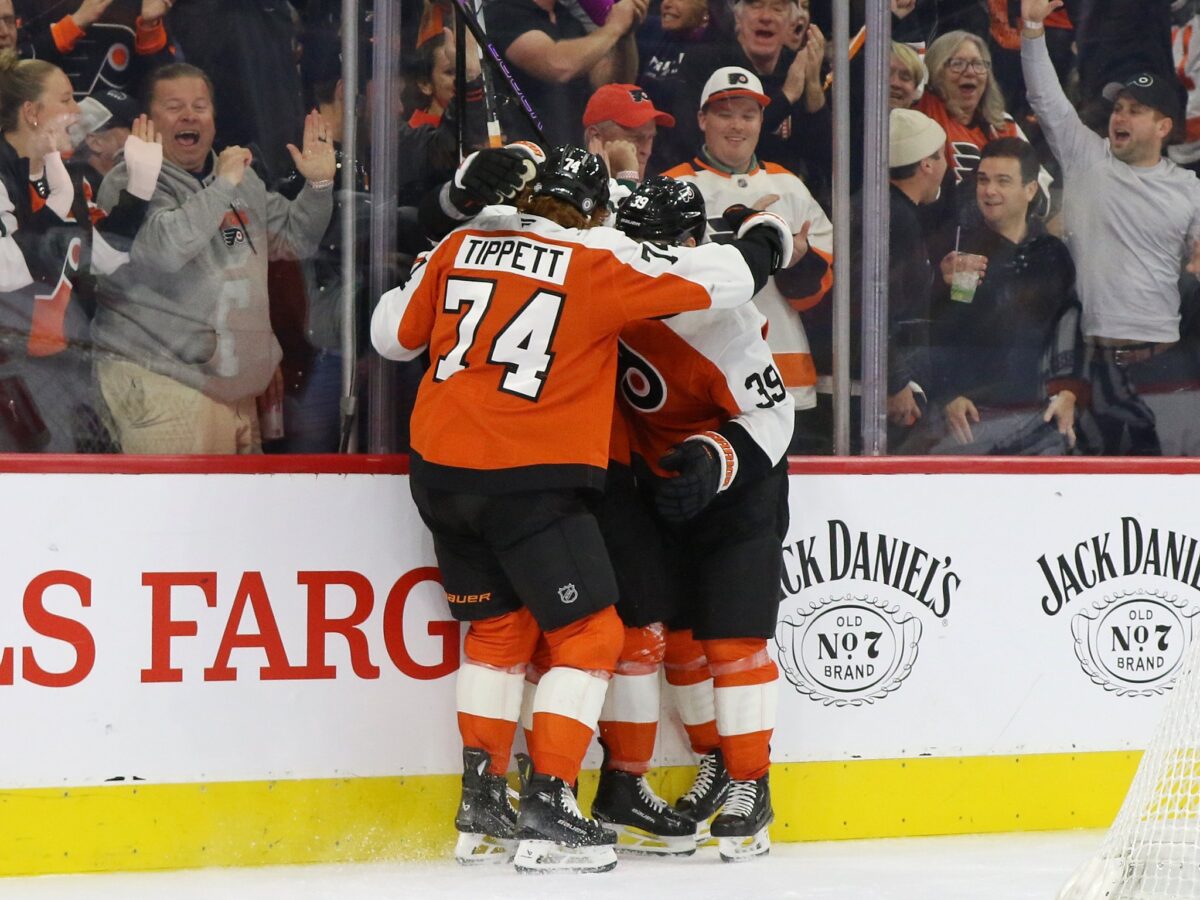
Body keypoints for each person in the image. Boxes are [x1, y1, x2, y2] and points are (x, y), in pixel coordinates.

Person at [370, 146, 789, 873]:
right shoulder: (596, 260)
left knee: (497, 635)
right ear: (599, 215)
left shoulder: (461, 243)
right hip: (527, 477)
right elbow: (722, 279)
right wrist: (764, 240)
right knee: (594, 636)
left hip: (438, 476)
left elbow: (390, 335)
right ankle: (552, 804)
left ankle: (483, 805)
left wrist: (464, 206)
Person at [590, 175, 793, 861]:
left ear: (688, 245)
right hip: (652, 484)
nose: (645, 259)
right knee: (663, 639)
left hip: (736, 491)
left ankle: (749, 786)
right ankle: (707, 762)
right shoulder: (612, 269)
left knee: (733, 643)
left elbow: (773, 414)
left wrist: (714, 460)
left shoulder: (725, 321)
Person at [91, 62, 334, 454]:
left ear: (215, 121)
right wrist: (223, 186)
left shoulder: (238, 177)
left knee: (233, 517)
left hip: (237, 396)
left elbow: (294, 240)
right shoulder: (130, 180)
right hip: (166, 387)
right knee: (176, 515)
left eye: (200, 106)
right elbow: (164, 253)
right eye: (174, 106)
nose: (189, 115)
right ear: (147, 123)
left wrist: (319, 185)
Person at [1023, 0, 1200, 455]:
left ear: (1164, 126)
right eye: (1118, 107)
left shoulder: (1188, 189)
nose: (1120, 117)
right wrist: (1032, 29)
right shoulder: (1087, 158)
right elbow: (1045, 98)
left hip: (1167, 370)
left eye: (1135, 110)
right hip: (1086, 367)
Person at [664, 66, 833, 451]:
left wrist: (798, 261)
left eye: (748, 114)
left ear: (761, 122)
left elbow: (815, 296)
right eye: (725, 113)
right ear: (702, 119)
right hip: (702, 376)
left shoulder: (790, 186)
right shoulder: (673, 188)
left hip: (784, 376)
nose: (736, 125)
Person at [0, 50, 161, 452]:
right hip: (10, 377)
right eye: (68, 98)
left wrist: (138, 192)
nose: (77, 111)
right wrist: (55, 207)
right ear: (33, 112)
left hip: (65, 368)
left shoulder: (65, 177)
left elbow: (106, 258)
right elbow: (5, 270)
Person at [926, 137, 1084, 454]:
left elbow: (1069, 324)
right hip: (970, 422)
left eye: (1003, 181)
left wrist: (1068, 392)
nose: (989, 191)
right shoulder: (957, 251)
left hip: (1039, 419)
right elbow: (931, 333)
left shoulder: (1051, 254)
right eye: (983, 180)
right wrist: (949, 394)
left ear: (1030, 190)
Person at [667, 0, 830, 200]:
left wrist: (813, 85)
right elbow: (699, 143)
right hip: (714, 194)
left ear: (794, 23)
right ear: (738, 17)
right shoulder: (705, 63)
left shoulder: (800, 66)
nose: (766, 17)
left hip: (786, 199)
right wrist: (786, 97)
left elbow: (826, 160)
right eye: (755, 6)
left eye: (777, 9)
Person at [484, 0, 647, 147]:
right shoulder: (504, 13)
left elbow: (610, 85)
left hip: (571, 156)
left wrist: (625, 34)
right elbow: (557, 65)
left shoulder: (568, 19)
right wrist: (614, 27)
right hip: (527, 157)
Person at [881, 108, 947, 449]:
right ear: (927, 165)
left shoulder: (893, 210)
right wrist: (896, 382)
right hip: (888, 387)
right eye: (942, 157)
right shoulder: (897, 219)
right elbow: (872, 306)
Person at [20, 0, 176, 99]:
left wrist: (150, 25)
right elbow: (12, 67)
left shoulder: (143, 4)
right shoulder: (33, 5)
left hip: (119, 135)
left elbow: (165, 86)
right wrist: (76, 23)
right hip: (44, 131)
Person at [582, 82, 675, 183]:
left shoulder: (658, 191)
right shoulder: (570, 188)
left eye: (650, 138)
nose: (647, 151)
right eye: (636, 137)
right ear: (596, 136)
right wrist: (627, 175)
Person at [889, 40, 925, 110]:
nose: (895, 83)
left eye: (905, 77)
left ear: (915, 90)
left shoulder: (924, 121)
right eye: (886, 75)